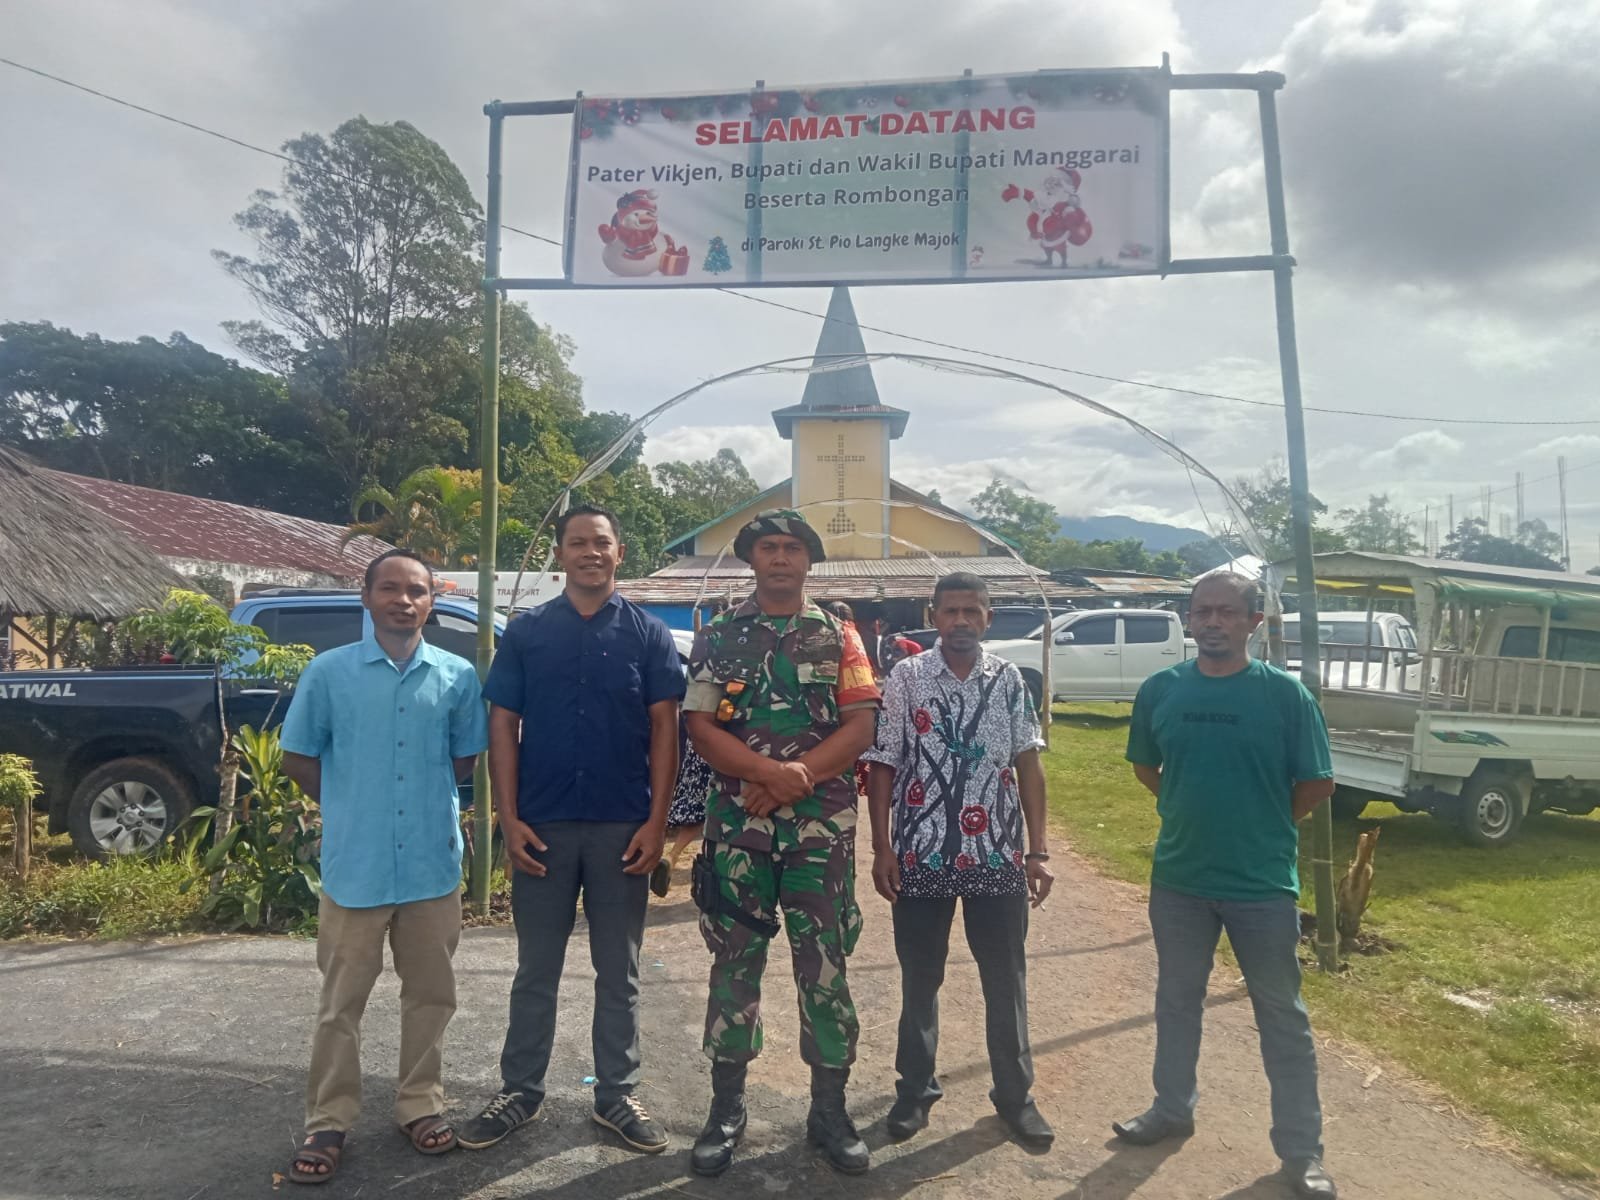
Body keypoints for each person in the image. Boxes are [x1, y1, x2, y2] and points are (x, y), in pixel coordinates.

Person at [459, 505, 684, 1155]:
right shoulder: (528, 632)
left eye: (601, 542)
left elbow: (666, 728)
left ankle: (617, 1095)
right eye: (578, 542)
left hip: (622, 828)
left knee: (620, 969)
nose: (590, 552)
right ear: (559, 554)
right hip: (544, 826)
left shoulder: (648, 634)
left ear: (620, 553)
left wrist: (657, 822)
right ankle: (520, 1091)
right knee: (536, 968)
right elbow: (503, 725)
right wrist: (508, 819)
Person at [1115, 571, 1337, 1200]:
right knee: (1176, 1002)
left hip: (1261, 885)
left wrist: (1263, 822)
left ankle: (1301, 1152)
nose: (1213, 621)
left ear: (1253, 622)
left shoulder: (1286, 697)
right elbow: (1145, 764)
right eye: (1202, 611)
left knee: (1282, 1017)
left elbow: (1317, 783)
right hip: (1179, 879)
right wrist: (1182, 806)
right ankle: (1171, 1109)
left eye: (1227, 612)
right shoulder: (1161, 689)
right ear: (1189, 619)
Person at [279, 549, 489, 1184]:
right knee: (340, 1003)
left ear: (432, 601)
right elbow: (298, 756)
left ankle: (419, 1105)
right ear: (366, 597)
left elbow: (462, 760)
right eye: (390, 589)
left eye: (417, 591)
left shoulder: (456, 676)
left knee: (431, 995)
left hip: (430, 864)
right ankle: (328, 1119)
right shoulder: (329, 673)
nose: (404, 600)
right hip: (358, 866)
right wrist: (350, 806)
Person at [683, 509, 880, 1176]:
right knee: (734, 963)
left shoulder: (842, 637)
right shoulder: (717, 637)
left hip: (819, 833)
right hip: (741, 829)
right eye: (767, 547)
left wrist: (795, 778)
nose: (780, 558)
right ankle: (725, 1111)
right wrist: (769, 776)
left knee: (824, 965)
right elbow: (701, 727)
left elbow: (860, 726)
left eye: (792, 548)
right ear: (751, 559)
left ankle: (829, 1113)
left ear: (808, 560)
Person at [864, 572, 1056, 1149]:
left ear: (988, 618)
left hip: (996, 855)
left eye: (972, 611)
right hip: (921, 853)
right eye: (950, 611)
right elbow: (883, 763)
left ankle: (1015, 1098)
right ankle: (914, 1092)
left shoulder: (1008, 681)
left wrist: (1037, 851)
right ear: (934, 617)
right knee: (921, 978)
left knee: (1005, 979)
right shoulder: (908, 677)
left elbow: (1028, 765)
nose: (961, 621)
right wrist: (882, 847)